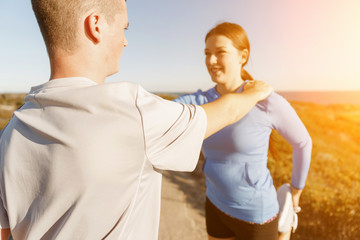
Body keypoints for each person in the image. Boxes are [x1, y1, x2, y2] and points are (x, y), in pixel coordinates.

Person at [0, 1, 273, 239]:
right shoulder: (132, 112)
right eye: (124, 28)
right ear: (96, 25)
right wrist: (255, 91)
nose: (125, 40)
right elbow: (225, 112)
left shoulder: (11, 132)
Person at [174, 22, 312, 240]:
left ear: (242, 56)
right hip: (215, 205)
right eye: (207, 53)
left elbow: (303, 143)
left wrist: (296, 190)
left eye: (220, 53)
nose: (211, 61)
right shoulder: (200, 101)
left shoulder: (266, 101)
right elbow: (162, 113)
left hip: (256, 216)